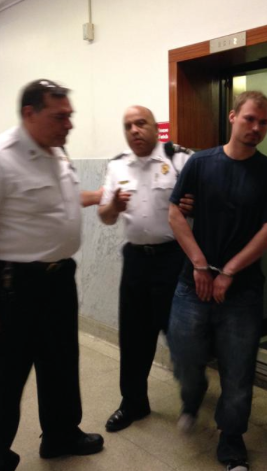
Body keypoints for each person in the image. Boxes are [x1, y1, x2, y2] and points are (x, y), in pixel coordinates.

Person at [168, 91, 267, 471]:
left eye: (264, 122)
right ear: (233, 117)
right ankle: (193, 395)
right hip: (193, 284)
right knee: (184, 357)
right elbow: (174, 213)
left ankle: (232, 439)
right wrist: (201, 265)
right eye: (250, 118)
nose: (256, 127)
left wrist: (230, 271)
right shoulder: (201, 163)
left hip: (243, 290)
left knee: (238, 370)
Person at [0, 79, 104, 471]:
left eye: (69, 116)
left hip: (59, 278)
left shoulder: (57, 152)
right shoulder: (4, 158)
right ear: (30, 113)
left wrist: (99, 197)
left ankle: (61, 435)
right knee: (8, 374)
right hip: (15, 285)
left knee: (60, 361)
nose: (69, 124)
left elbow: (62, 201)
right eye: (60, 117)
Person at [98, 105, 193, 433]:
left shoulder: (179, 159)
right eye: (128, 126)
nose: (134, 130)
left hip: (173, 259)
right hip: (136, 261)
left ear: (155, 127)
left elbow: (205, 205)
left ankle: (193, 395)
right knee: (133, 336)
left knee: (181, 334)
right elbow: (105, 217)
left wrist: (194, 206)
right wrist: (113, 206)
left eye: (141, 123)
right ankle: (133, 402)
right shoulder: (116, 165)